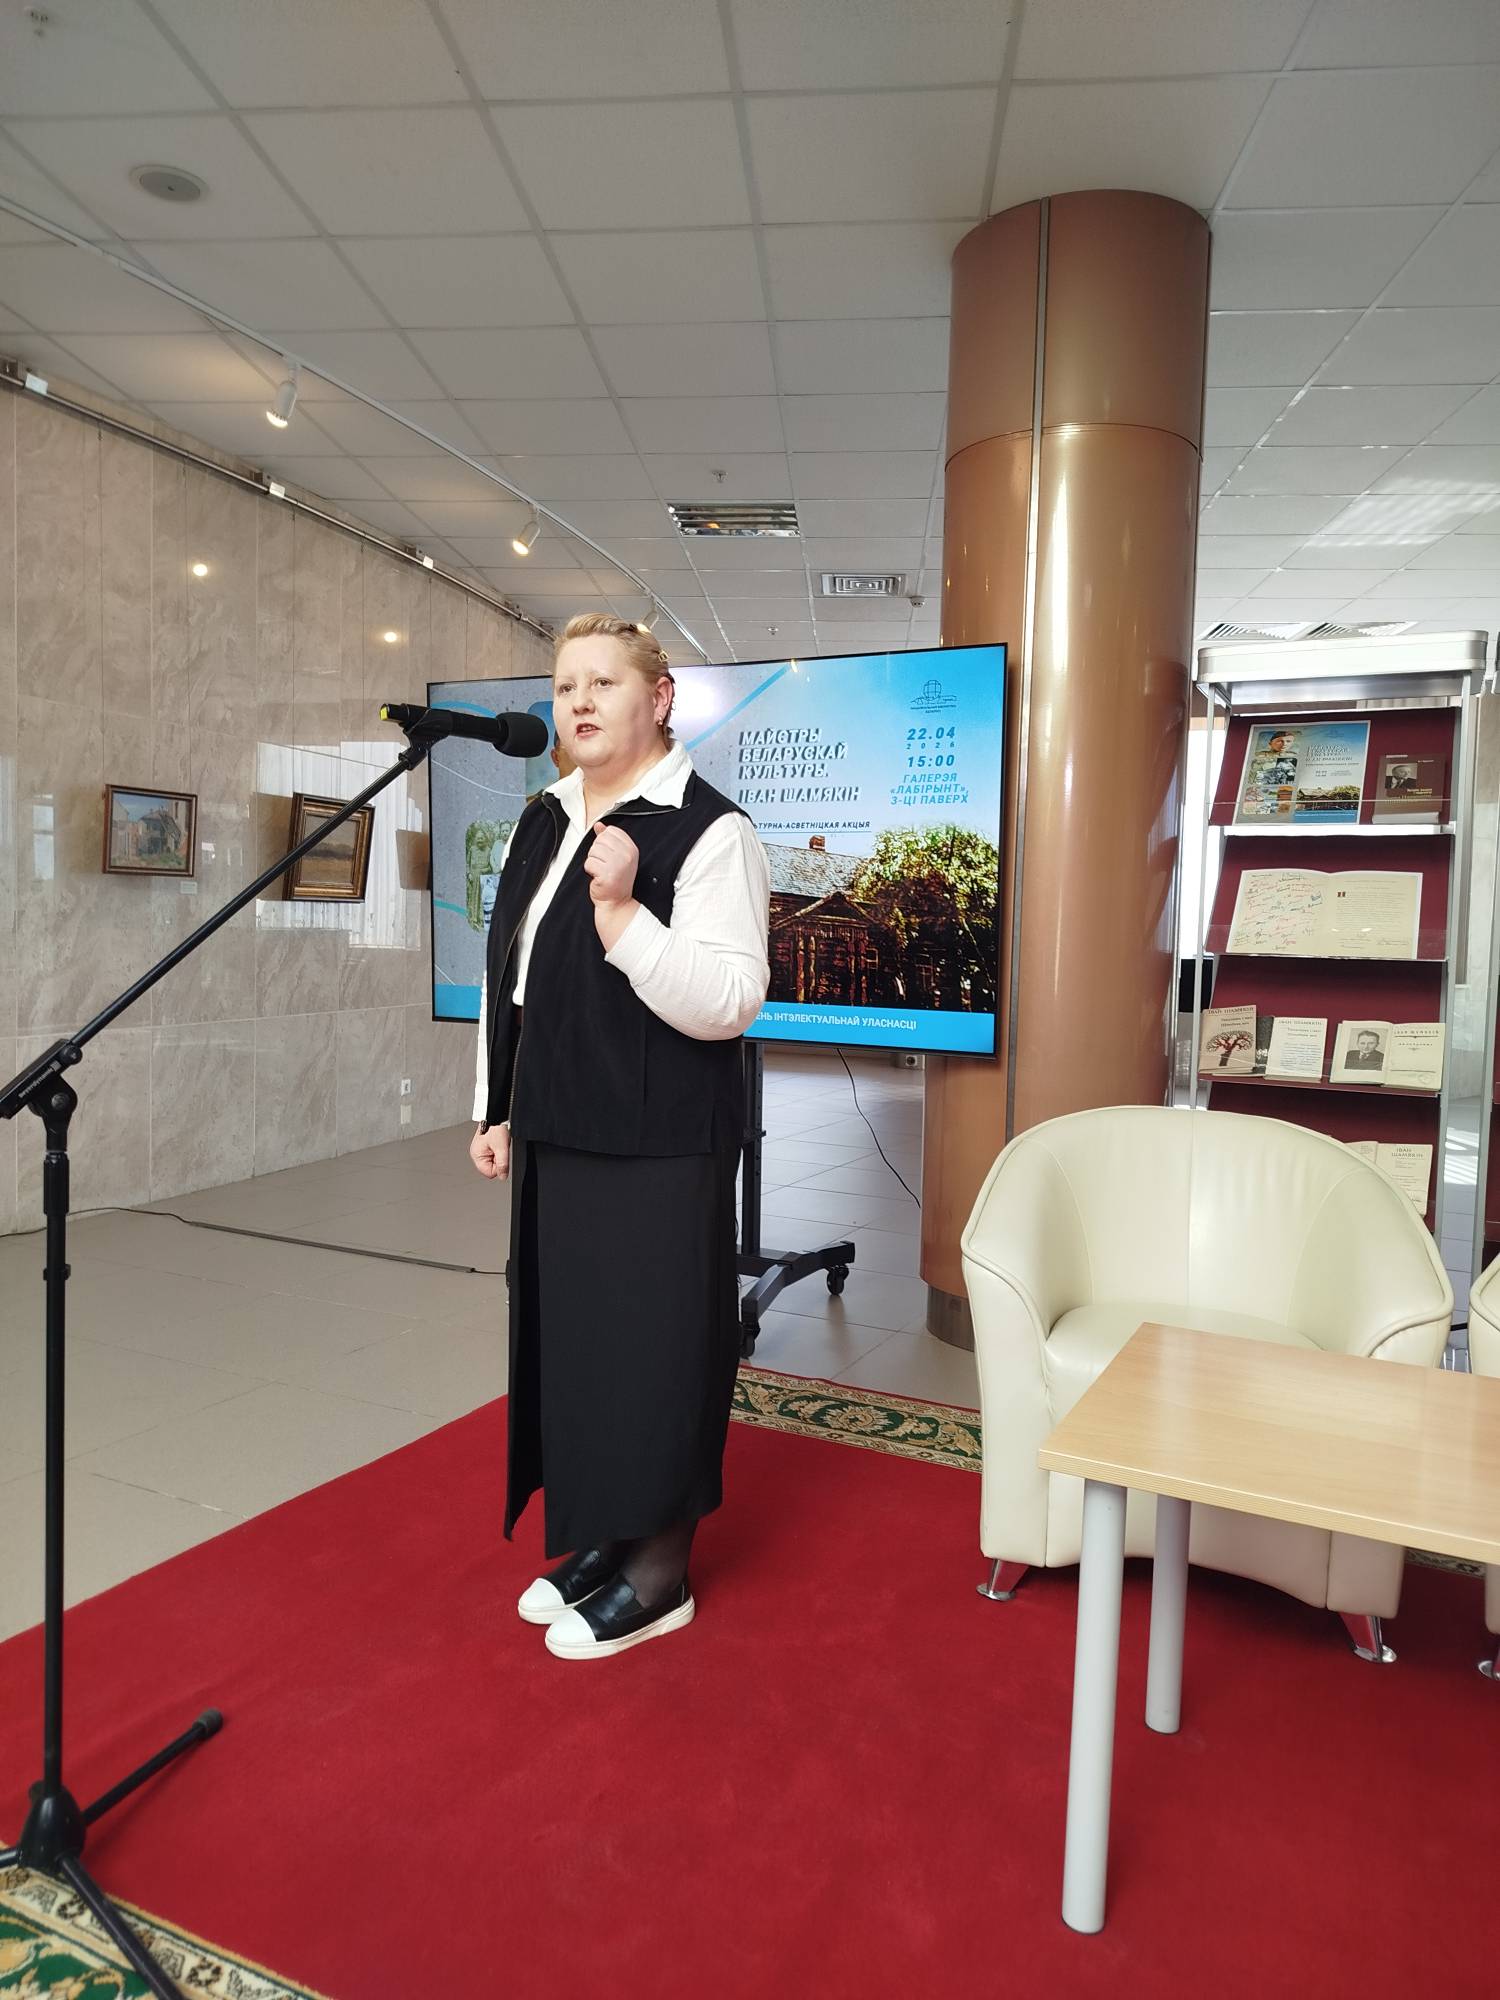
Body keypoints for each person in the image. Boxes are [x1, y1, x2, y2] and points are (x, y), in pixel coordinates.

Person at [470, 613, 771, 1661]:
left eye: (604, 682)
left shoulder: (712, 829)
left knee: (657, 1351)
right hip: (559, 1123)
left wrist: (623, 917)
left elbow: (731, 1000)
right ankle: (607, 1531)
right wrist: (495, 1106)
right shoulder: (544, 817)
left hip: (661, 1140)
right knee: (583, 1347)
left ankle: (661, 1571)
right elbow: (512, 977)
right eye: (566, 687)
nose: (580, 702)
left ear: (661, 698)